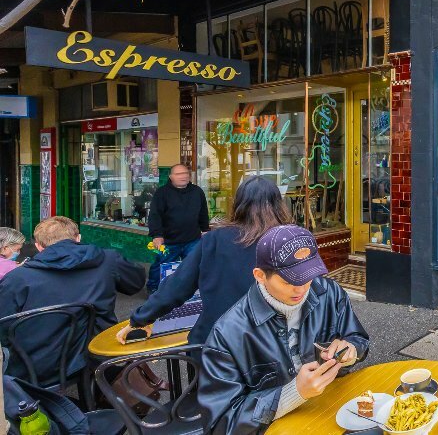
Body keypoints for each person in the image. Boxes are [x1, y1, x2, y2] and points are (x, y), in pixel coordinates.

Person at [199, 225, 369, 433]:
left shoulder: (328, 293)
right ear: (260, 275)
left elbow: (358, 338)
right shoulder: (228, 334)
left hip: (332, 411)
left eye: (307, 275)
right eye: (289, 280)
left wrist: (350, 351)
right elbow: (221, 424)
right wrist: (294, 393)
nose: (301, 288)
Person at [117, 176, 293, 346]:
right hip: (273, 343)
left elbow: (177, 286)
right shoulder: (291, 241)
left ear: (239, 204)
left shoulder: (215, 239)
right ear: (279, 205)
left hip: (216, 343)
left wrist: (140, 319)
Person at [0, 216, 145, 381]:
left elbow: (4, 326)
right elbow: (135, 283)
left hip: (35, 365)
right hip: (95, 352)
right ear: (78, 238)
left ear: (39, 246)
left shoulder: (17, 278)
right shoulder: (108, 260)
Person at [146, 163, 210, 292]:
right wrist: (157, 235)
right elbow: (155, 215)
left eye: (185, 173)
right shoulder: (162, 193)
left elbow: (203, 212)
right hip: (169, 240)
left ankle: (188, 290)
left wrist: (205, 230)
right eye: (179, 174)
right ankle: (153, 288)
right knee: (161, 265)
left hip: (192, 239)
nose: (183, 176)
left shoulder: (197, 191)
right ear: (171, 176)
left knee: (193, 266)